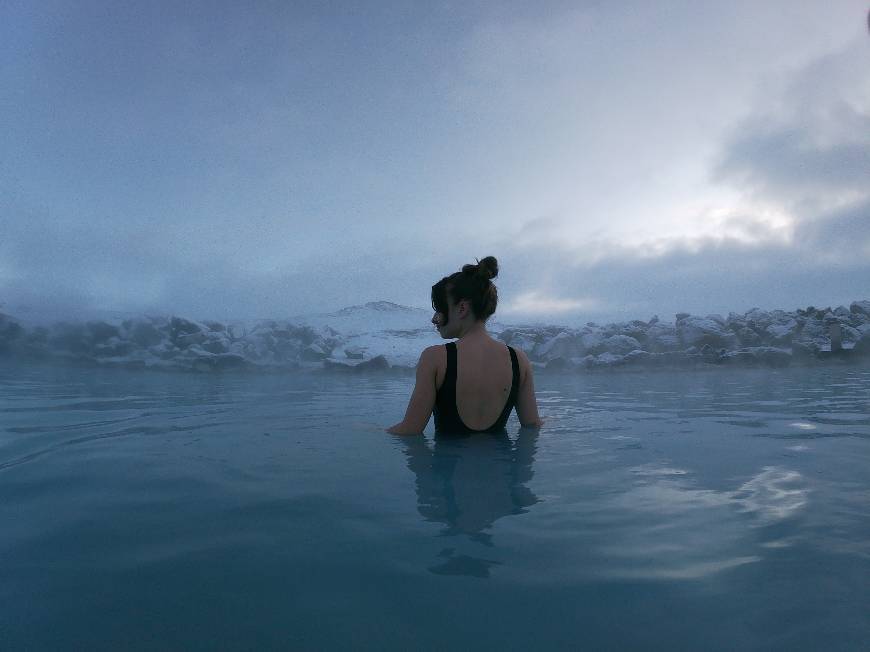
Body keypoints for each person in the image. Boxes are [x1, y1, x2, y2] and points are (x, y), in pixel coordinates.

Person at [386, 256, 544, 435]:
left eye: (439, 308)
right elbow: (532, 426)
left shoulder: (435, 358)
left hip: (448, 463)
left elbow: (410, 431)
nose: (434, 319)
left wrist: (370, 431)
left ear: (462, 308)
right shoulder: (518, 359)